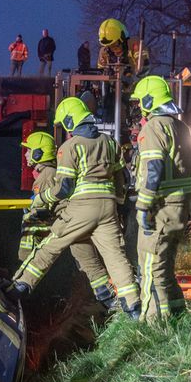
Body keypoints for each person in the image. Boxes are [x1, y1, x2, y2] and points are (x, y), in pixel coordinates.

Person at [11, 97, 140, 319]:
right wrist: (117, 204)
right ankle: (134, 309)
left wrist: (41, 198)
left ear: (70, 121)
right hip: (108, 209)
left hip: (81, 208)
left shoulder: (69, 147)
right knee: (115, 257)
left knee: (50, 247)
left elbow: (64, 188)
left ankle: (19, 287)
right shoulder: (110, 143)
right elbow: (122, 179)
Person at [18, 131, 116, 309]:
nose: (26, 154)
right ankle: (109, 300)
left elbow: (43, 209)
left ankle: (18, 287)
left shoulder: (46, 175)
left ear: (38, 153)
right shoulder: (52, 172)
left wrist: (30, 214)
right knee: (88, 260)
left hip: (68, 221)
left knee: (43, 254)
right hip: (78, 220)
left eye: (29, 150)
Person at [131, 75, 191, 323]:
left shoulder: (153, 128)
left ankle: (151, 326)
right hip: (179, 207)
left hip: (160, 208)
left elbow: (154, 169)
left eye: (140, 102)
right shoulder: (182, 128)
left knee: (150, 269)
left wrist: (143, 206)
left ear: (149, 101)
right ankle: (178, 316)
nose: (139, 106)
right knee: (166, 269)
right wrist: (185, 197)